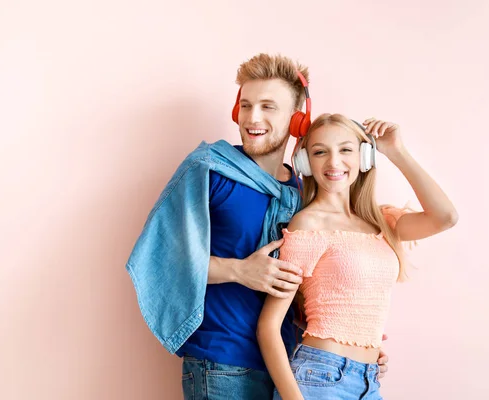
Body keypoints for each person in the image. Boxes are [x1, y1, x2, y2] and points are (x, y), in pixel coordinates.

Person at [126, 55, 389, 400]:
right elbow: (157, 261)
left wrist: (351, 349)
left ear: (297, 121)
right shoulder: (209, 171)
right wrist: (239, 270)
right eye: (246, 105)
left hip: (294, 369)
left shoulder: (303, 192)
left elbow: (314, 284)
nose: (252, 118)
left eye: (268, 107)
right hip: (222, 364)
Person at [257, 114, 458, 399]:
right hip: (319, 379)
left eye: (346, 149)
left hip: (369, 381)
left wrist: (396, 151)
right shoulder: (307, 225)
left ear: (365, 157)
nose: (334, 162)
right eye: (320, 152)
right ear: (306, 163)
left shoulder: (383, 222)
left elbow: (446, 217)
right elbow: (269, 326)